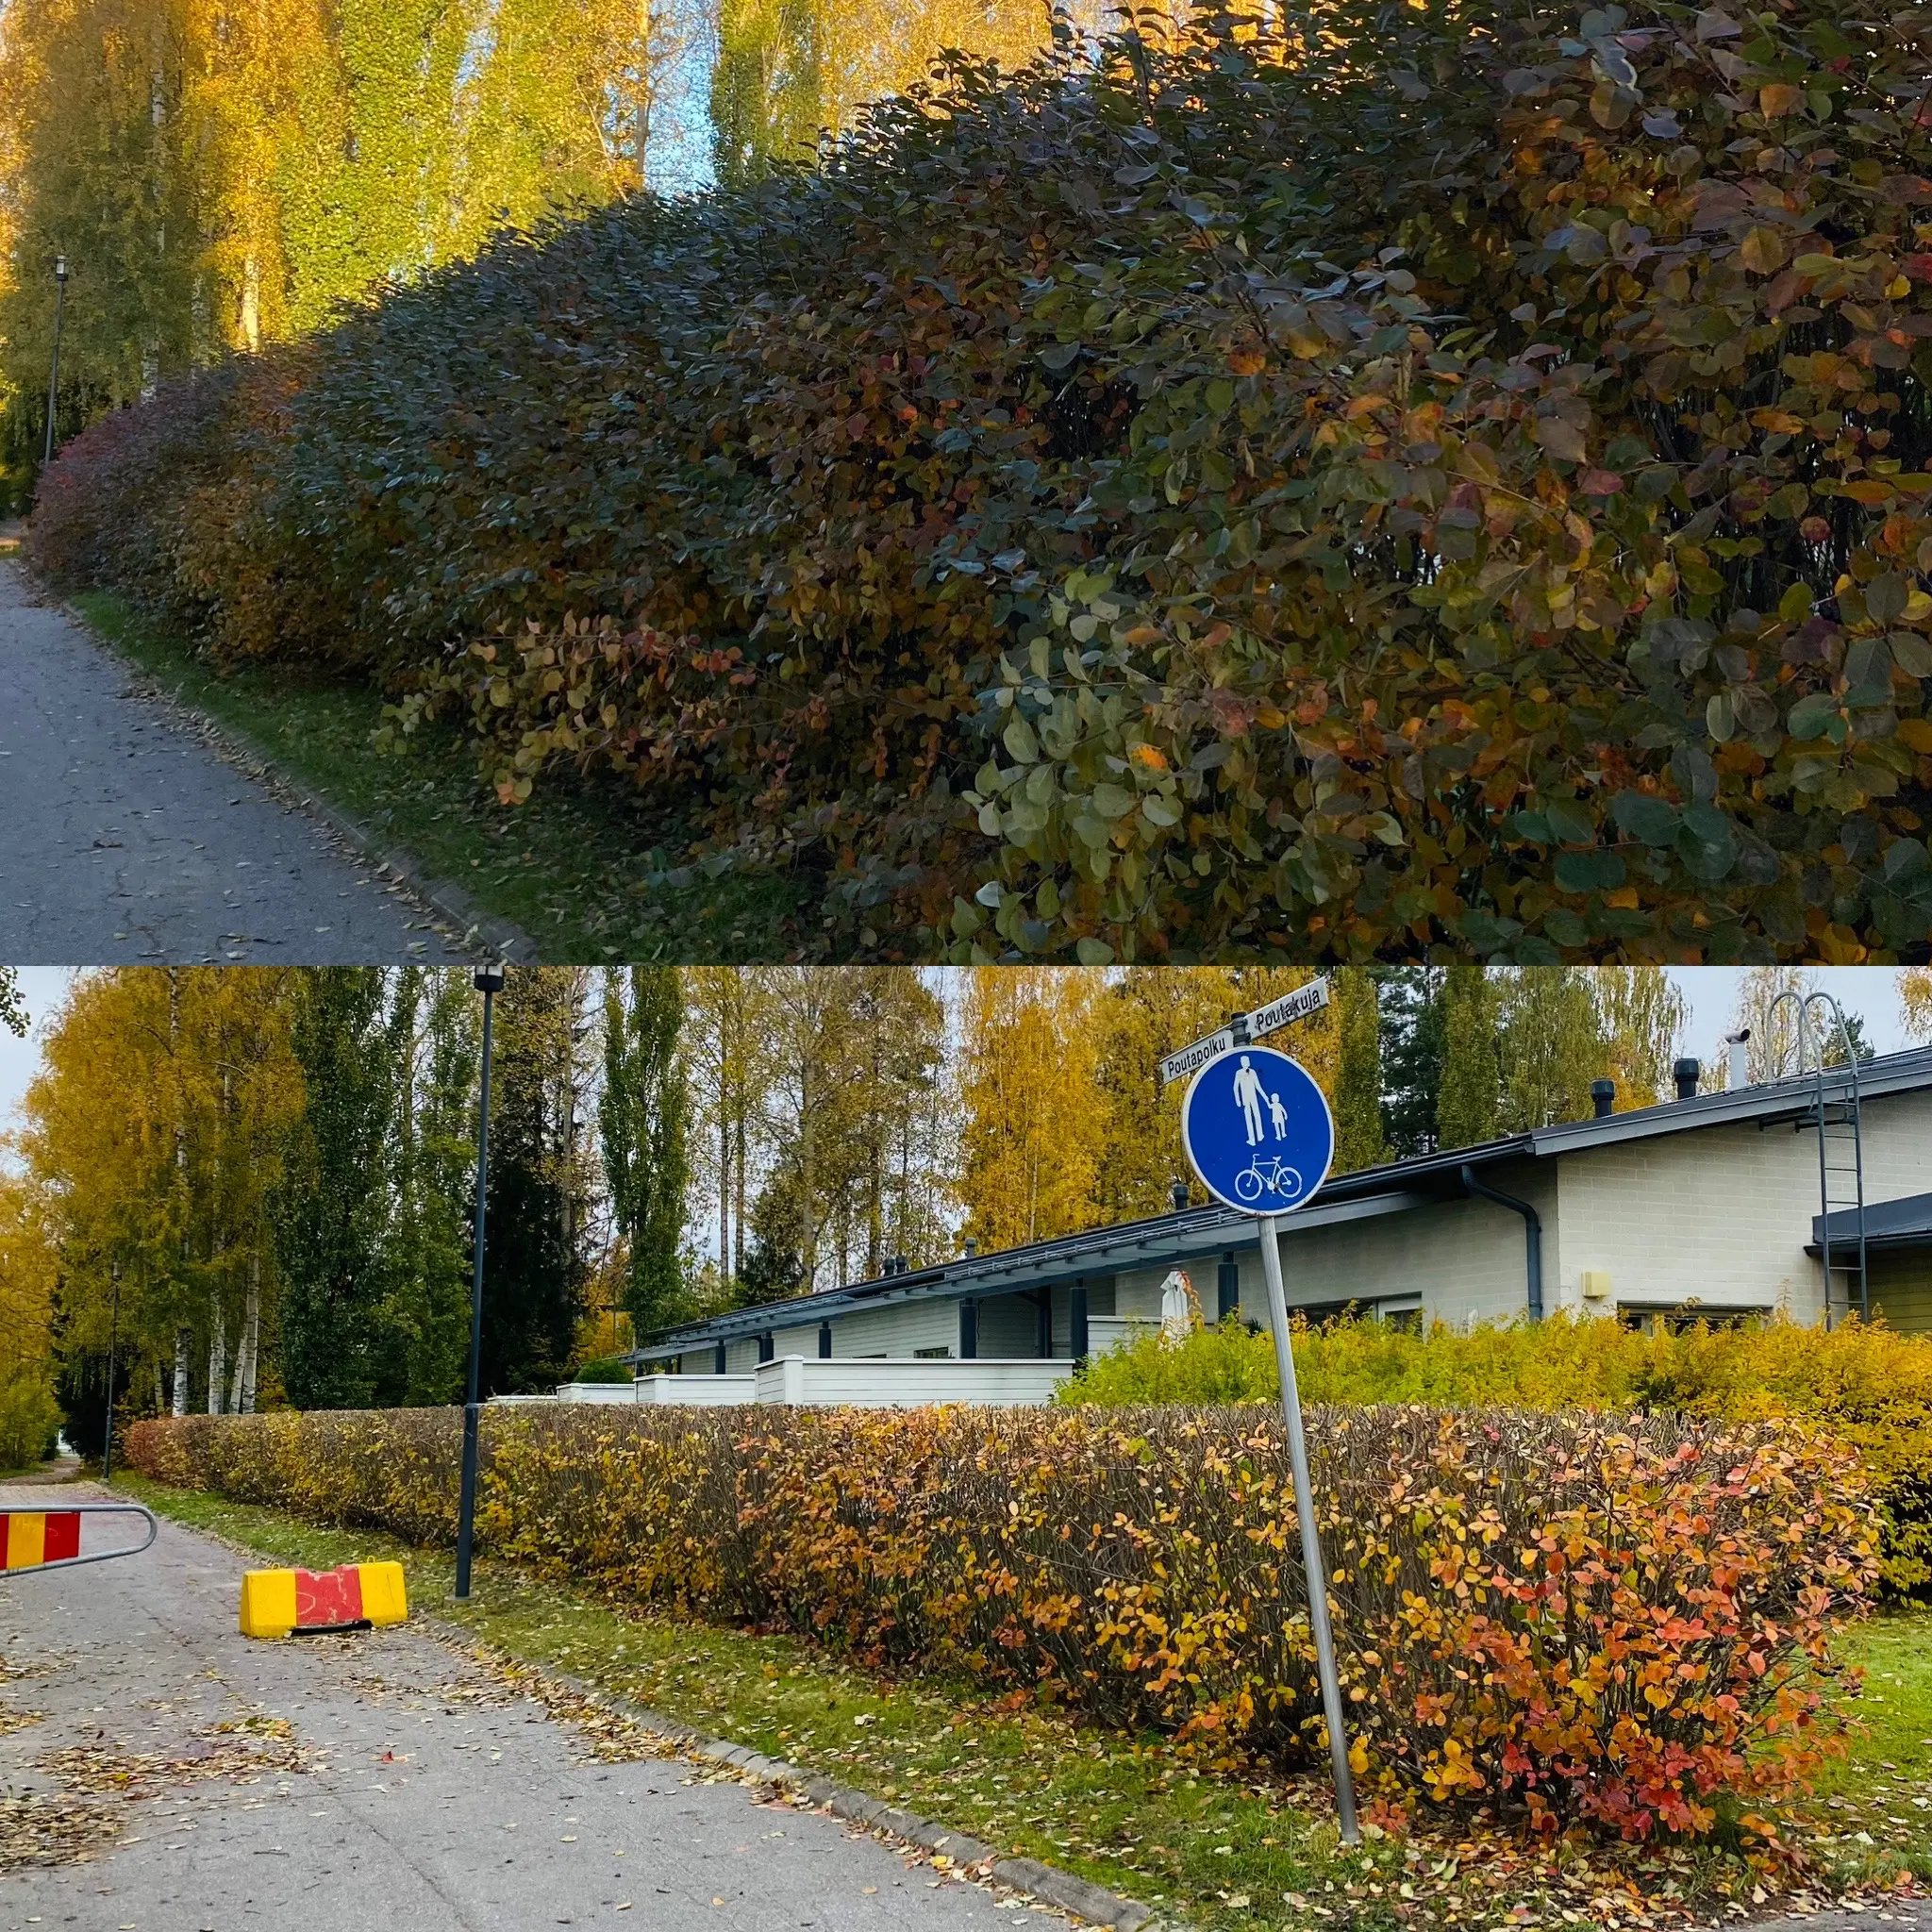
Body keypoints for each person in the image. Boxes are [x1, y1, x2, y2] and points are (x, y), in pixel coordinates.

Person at [1231, 1056, 1265, 1145]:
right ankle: (1251, 1139)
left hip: (1253, 1097)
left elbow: (1258, 1086)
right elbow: (1235, 1087)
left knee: (1257, 1116)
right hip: (1245, 1099)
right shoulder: (1238, 1073)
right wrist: (1237, 1100)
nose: (1247, 1062)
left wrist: (1265, 1097)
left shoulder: (1253, 1072)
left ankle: (1260, 1135)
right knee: (1248, 1118)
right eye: (1245, 1061)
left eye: (1247, 1060)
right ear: (1242, 1062)